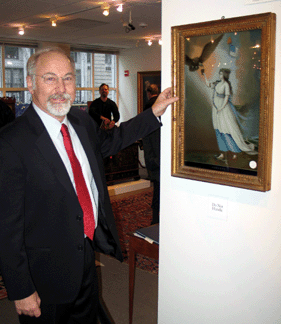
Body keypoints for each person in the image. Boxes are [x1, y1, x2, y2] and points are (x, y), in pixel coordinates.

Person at [0, 47, 178, 324]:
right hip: (44, 273)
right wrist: (21, 288)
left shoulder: (81, 121)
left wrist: (153, 112)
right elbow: (6, 226)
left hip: (85, 256)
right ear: (30, 83)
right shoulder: (11, 142)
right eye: (50, 78)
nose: (61, 88)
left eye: (68, 78)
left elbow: (113, 140)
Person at [203, 68, 256, 162]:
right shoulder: (217, 83)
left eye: (221, 74)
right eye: (219, 74)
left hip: (223, 110)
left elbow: (226, 98)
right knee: (219, 130)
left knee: (228, 130)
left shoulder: (226, 85)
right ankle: (223, 154)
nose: (219, 76)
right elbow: (208, 84)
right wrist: (204, 75)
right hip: (216, 110)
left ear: (225, 75)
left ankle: (234, 152)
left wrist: (221, 108)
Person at [142, 84, 160, 224]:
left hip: (155, 155)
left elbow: (147, 132)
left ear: (149, 93)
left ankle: (155, 221)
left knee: (157, 192)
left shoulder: (148, 106)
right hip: (159, 155)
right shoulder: (160, 105)